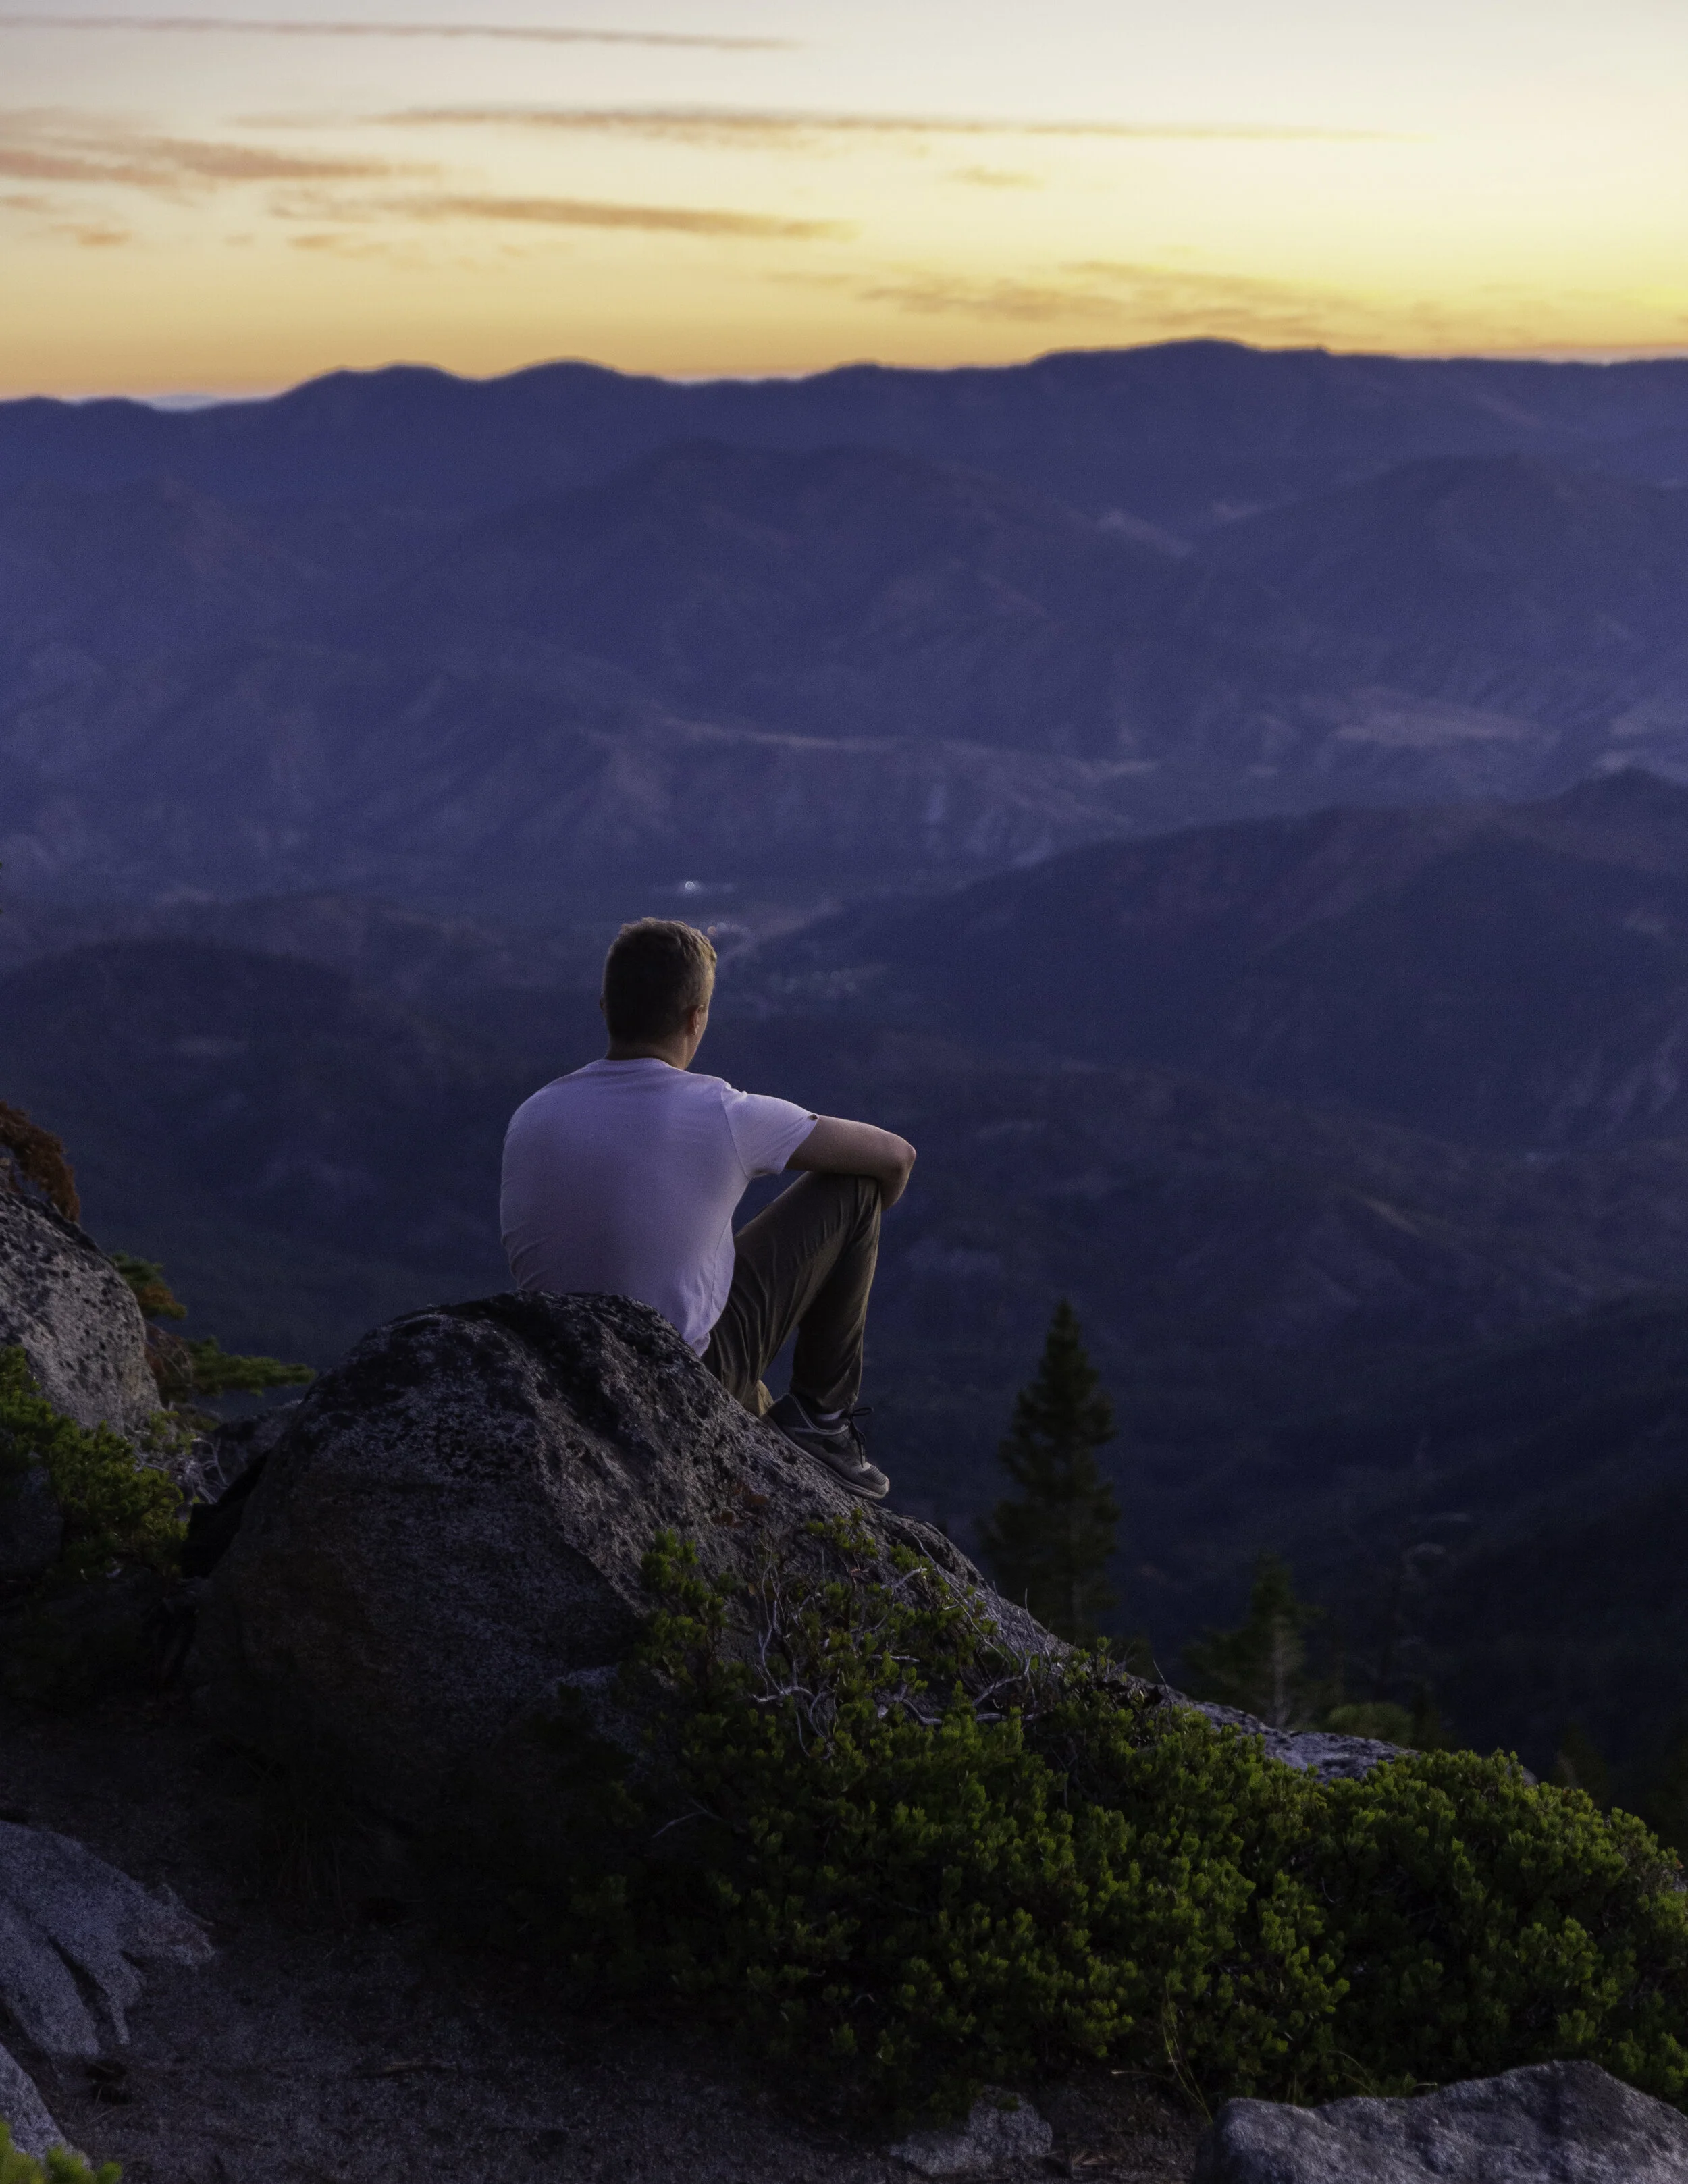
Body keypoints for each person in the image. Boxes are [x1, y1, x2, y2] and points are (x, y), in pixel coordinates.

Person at [500, 917, 915, 1499]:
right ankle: (823, 1421)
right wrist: (857, 1237)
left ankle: (772, 1418)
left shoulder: (532, 1114)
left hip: (560, 1367)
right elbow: (896, 1157)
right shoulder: (721, 1111)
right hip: (675, 1379)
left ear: (604, 1007)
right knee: (854, 1189)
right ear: (697, 1017)